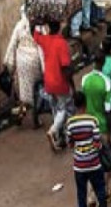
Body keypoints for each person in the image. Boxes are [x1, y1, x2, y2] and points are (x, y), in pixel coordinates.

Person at [35, 21, 74, 149]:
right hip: (60, 82)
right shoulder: (61, 43)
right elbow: (65, 67)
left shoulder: (45, 40)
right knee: (64, 109)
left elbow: (35, 35)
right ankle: (54, 131)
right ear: (59, 28)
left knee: (55, 110)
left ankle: (59, 135)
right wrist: (71, 83)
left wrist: (37, 23)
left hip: (49, 82)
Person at [66, 91, 107, 207]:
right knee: (100, 191)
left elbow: (70, 143)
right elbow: (97, 142)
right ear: (85, 104)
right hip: (94, 163)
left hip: (79, 165)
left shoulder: (70, 123)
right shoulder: (93, 120)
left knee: (81, 194)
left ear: (74, 104)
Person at [3, 8, 43, 126]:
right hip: (36, 59)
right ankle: (34, 114)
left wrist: (8, 63)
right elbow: (42, 46)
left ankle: (22, 110)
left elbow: (12, 44)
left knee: (24, 89)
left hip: (22, 60)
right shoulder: (39, 27)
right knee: (36, 88)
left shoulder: (19, 26)